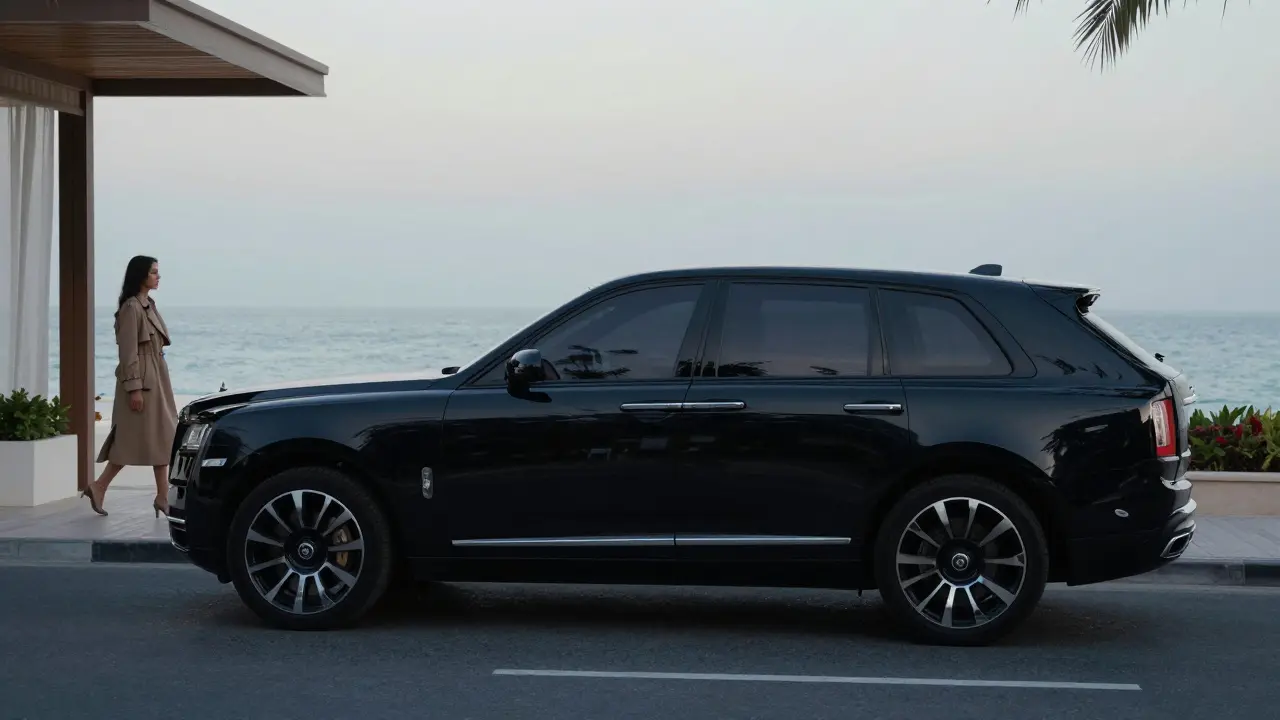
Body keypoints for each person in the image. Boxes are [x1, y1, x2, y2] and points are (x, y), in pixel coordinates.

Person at [81, 255, 178, 518]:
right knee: (132, 440)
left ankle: (161, 496)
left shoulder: (148, 304)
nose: (158, 277)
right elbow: (128, 353)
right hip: (143, 382)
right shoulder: (131, 308)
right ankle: (100, 486)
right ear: (141, 275)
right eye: (154, 272)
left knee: (163, 437)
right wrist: (134, 388)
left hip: (157, 378)